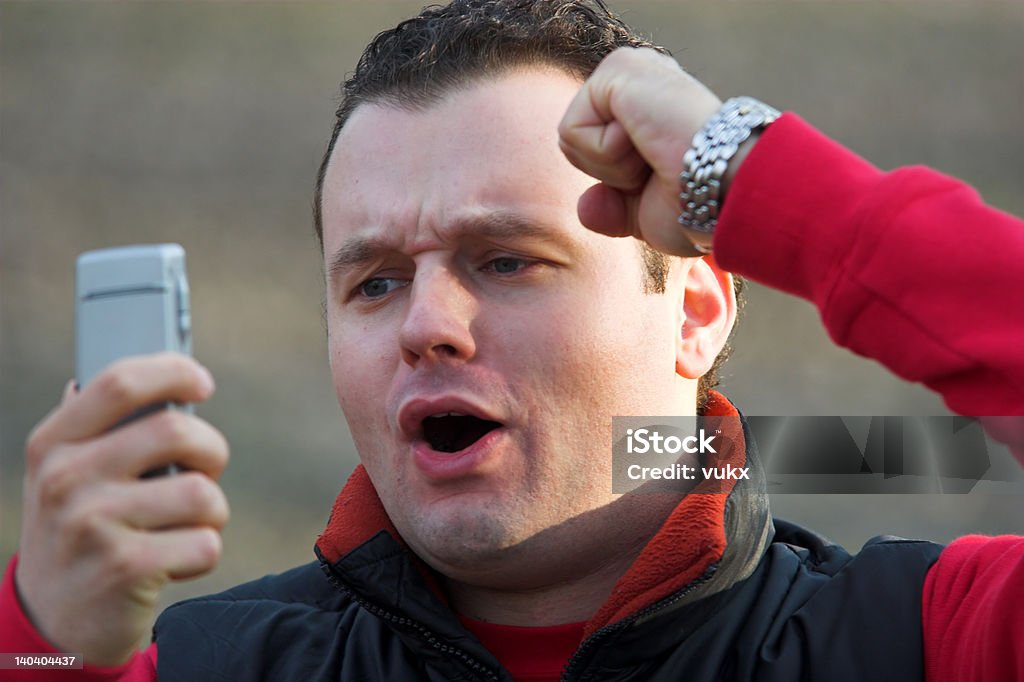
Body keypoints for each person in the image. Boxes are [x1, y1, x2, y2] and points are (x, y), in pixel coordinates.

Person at [3, 1, 1023, 680]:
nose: (425, 327)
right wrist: (42, 641)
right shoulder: (191, 665)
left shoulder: (935, 638)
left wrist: (759, 180)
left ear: (697, 309)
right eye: (374, 282)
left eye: (506, 260)